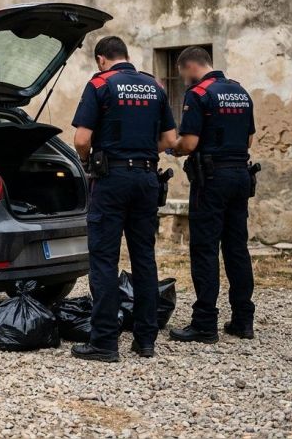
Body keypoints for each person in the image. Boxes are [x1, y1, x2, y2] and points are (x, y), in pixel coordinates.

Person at [70, 36, 177, 362]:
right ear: (126, 56)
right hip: (147, 179)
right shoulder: (155, 86)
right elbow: (170, 139)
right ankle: (145, 340)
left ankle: (104, 342)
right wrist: (141, 151)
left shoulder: (100, 84)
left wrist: (88, 160)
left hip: (111, 179)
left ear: (101, 59)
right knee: (144, 258)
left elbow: (81, 139)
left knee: (104, 259)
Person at [169, 46, 257, 343]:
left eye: (183, 74)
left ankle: (205, 324)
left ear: (190, 66)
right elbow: (248, 139)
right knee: (237, 248)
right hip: (241, 175)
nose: (184, 79)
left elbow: (189, 143)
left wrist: (173, 148)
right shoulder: (240, 92)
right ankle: (243, 320)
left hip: (212, 179)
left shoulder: (199, 94)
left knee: (205, 249)